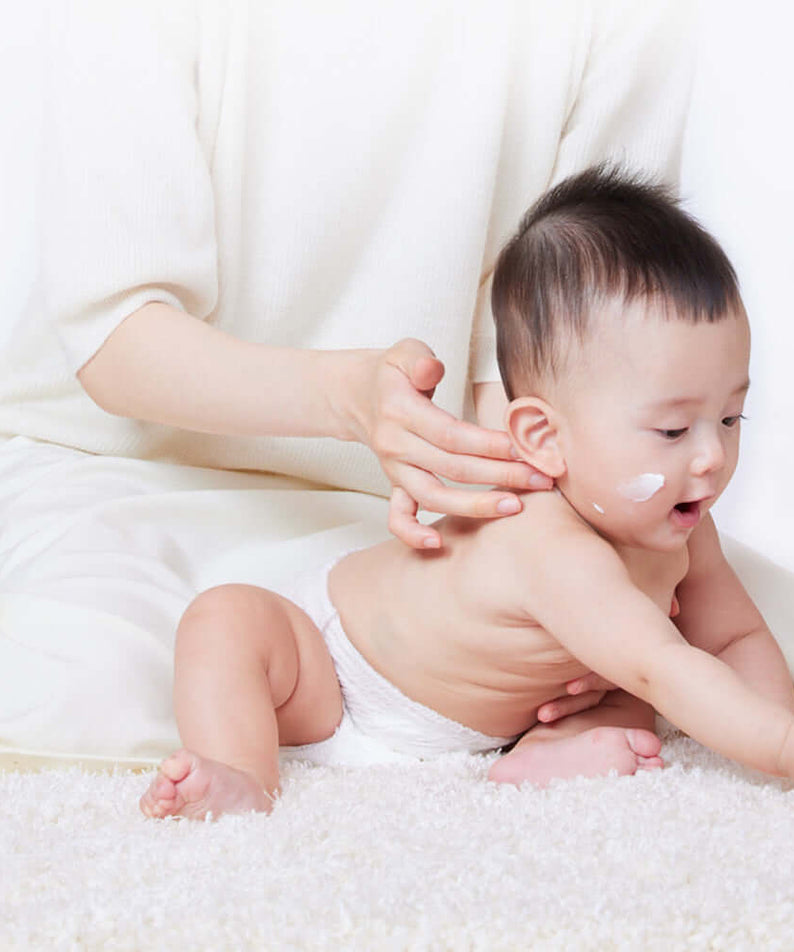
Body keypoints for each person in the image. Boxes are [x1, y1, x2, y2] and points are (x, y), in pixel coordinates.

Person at [0, 1, 694, 758]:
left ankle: (528, 726)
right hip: (118, 477)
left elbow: (562, 351)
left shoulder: (620, 23)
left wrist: (528, 554)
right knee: (93, 688)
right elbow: (117, 337)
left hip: (421, 523)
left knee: (687, 616)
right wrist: (351, 400)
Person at [140, 166, 794, 820]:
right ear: (543, 436)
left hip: (499, 717)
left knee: (627, 701)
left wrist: (777, 726)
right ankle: (238, 774)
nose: (711, 456)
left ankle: (544, 755)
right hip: (343, 673)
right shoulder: (548, 541)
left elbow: (732, 640)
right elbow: (663, 666)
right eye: (674, 429)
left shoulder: (684, 528)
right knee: (226, 620)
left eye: (732, 419)